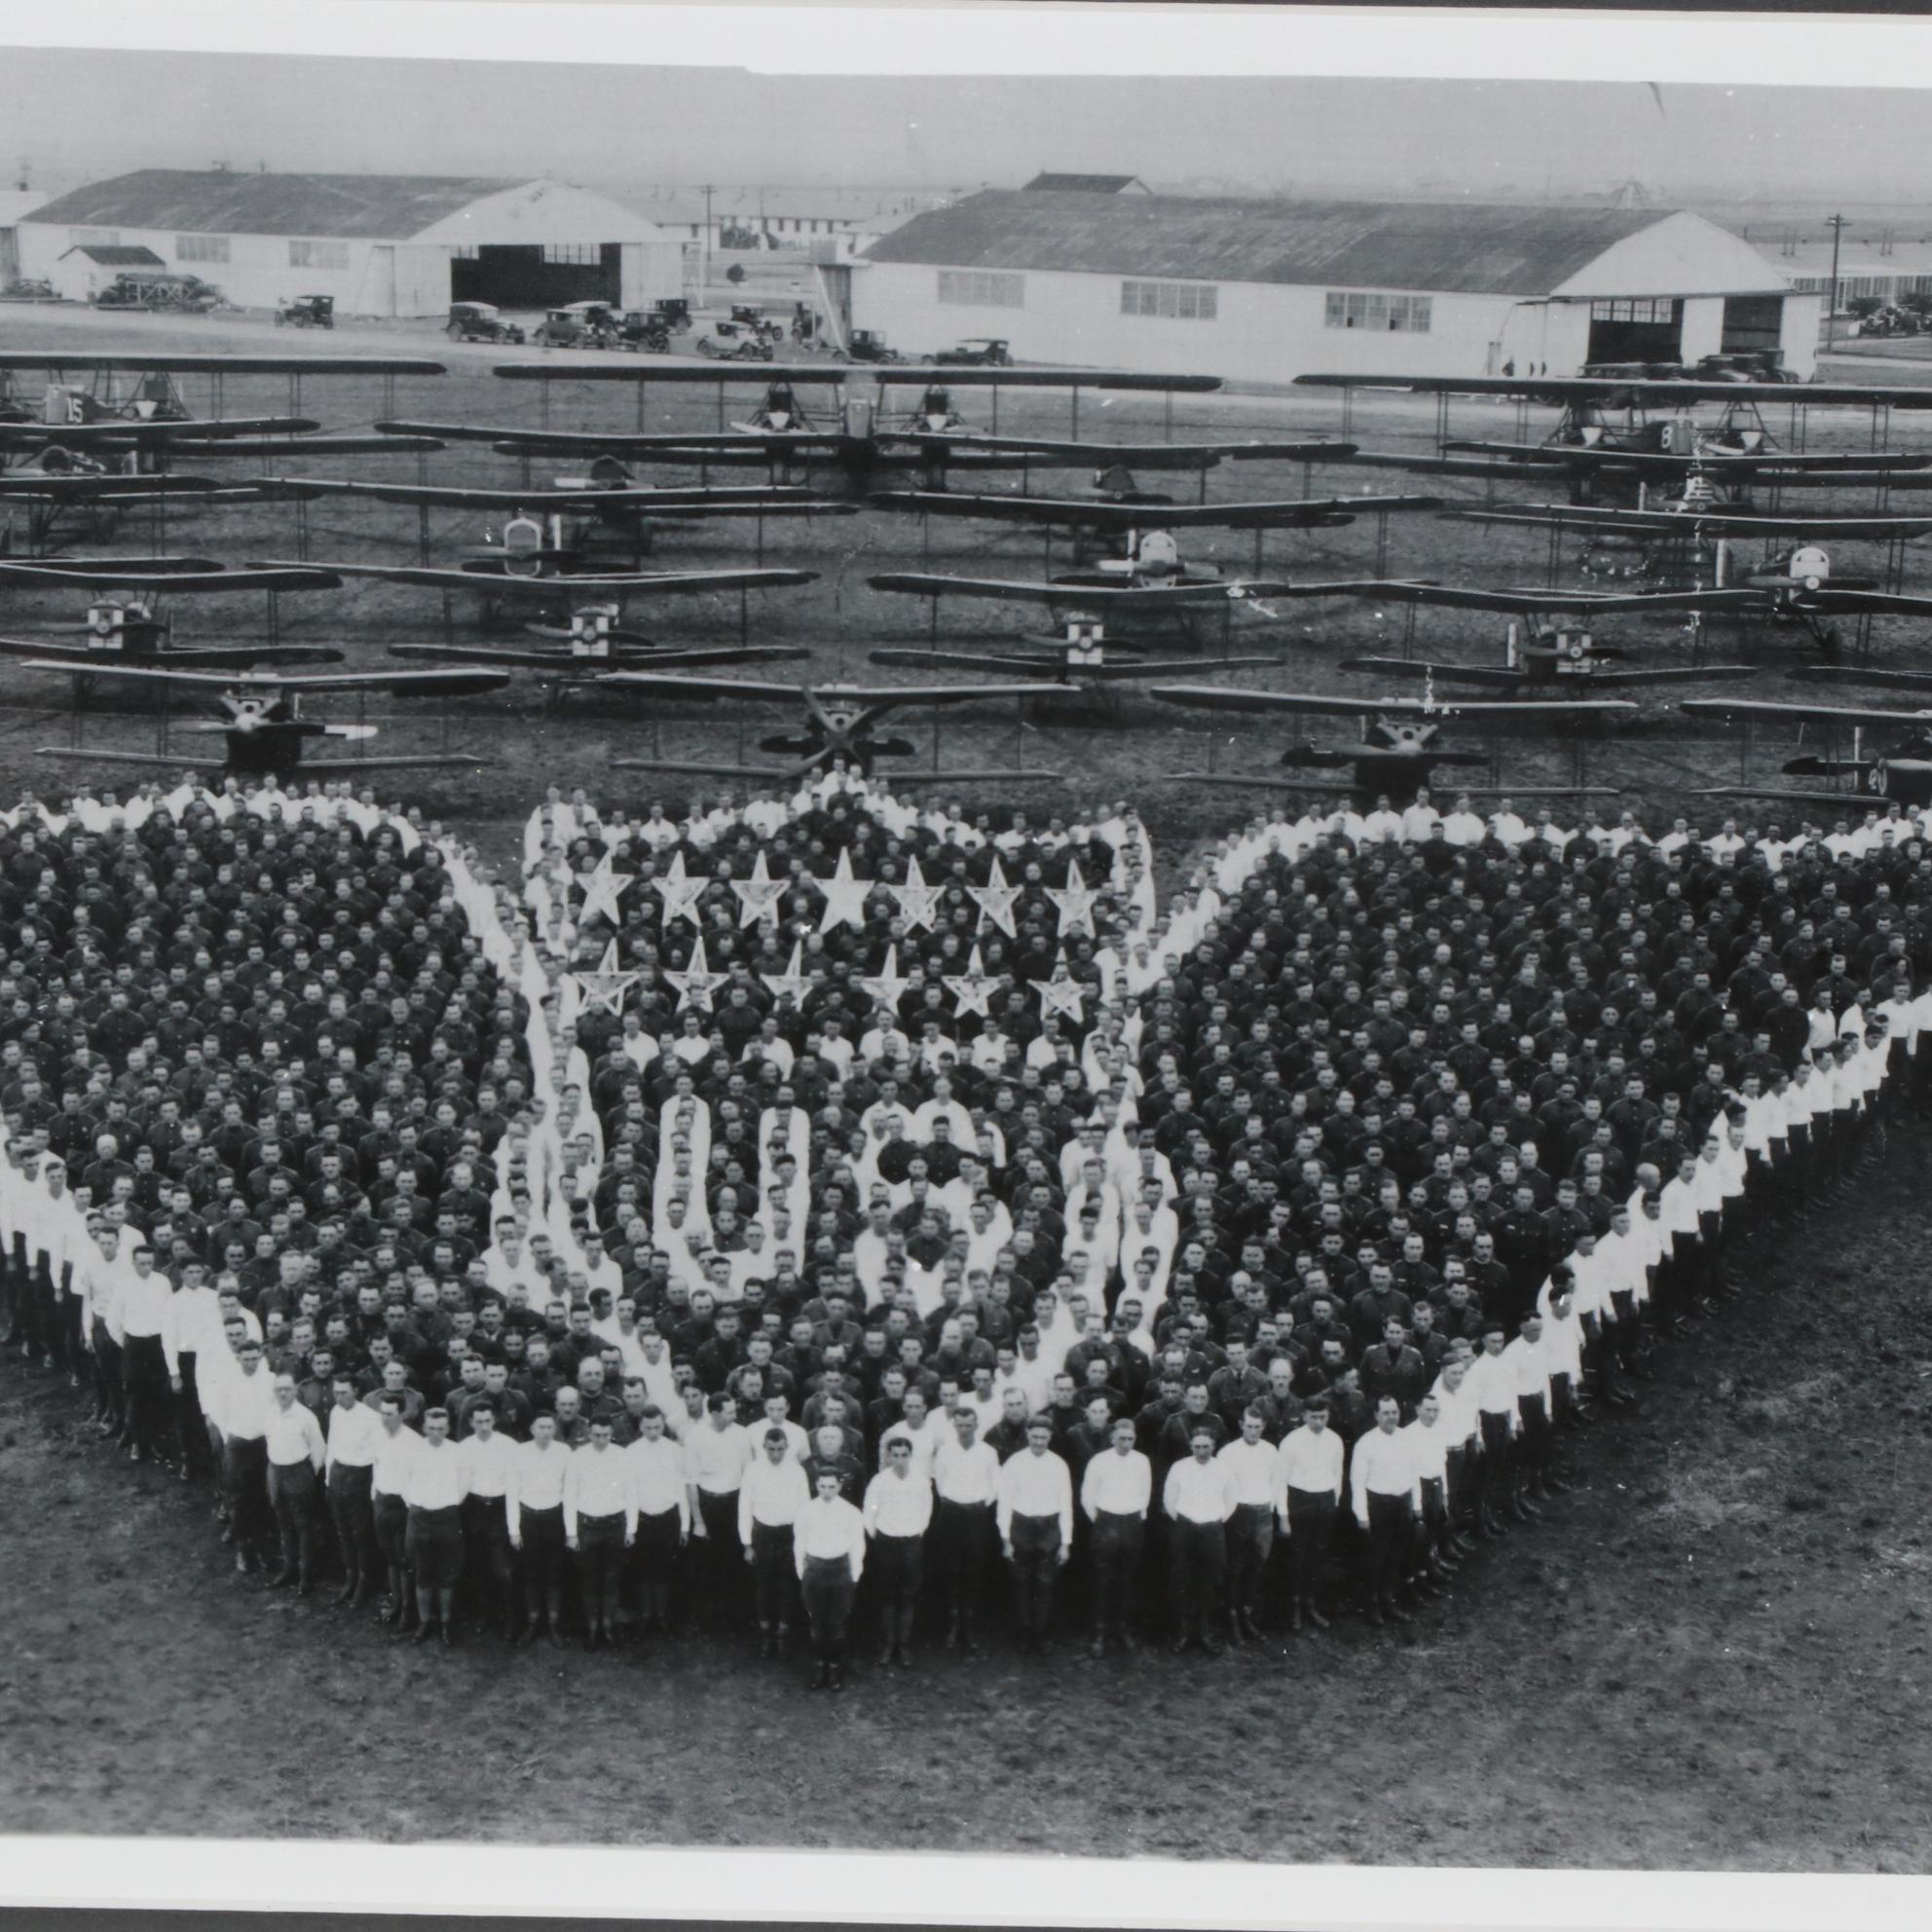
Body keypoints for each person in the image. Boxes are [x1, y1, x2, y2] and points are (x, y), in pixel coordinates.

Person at [995, 1414, 1073, 1655]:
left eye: (1043, 1437)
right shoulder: (1014, 1463)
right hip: (1021, 1527)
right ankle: (1024, 1633)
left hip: (1049, 1529)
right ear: (1028, 1435)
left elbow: (1066, 1504)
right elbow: (1004, 1504)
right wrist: (1006, 1540)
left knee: (1044, 1584)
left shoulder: (1059, 1464)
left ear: (1050, 1438)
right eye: (1035, 1436)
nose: (1039, 1442)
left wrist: (1065, 1543)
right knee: (1021, 1583)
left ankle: (1040, 1635)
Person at [1078, 1413, 1150, 1655]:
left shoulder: (1142, 1461)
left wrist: (1134, 1518)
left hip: (1131, 1524)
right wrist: (1101, 1521)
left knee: (1127, 1580)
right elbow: (1087, 1497)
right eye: (1121, 1438)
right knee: (1101, 1580)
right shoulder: (1099, 1461)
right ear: (1112, 1438)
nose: (1125, 1443)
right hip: (1105, 1523)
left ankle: (1122, 1628)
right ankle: (1099, 1632)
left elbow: (1144, 1494)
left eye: (1130, 1439)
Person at [563, 1415, 637, 1650]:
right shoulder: (578, 1457)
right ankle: (592, 1628)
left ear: (611, 1433)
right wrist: (571, 1533)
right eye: (596, 1435)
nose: (601, 1440)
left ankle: (608, 1627)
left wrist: (631, 1529)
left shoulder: (622, 1456)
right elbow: (569, 1497)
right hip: (587, 1527)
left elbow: (631, 1494)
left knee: (611, 1579)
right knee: (589, 1580)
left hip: (615, 1526)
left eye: (606, 1435)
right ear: (589, 1433)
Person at [739, 1425, 810, 1656]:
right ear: (764, 1447)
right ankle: (765, 1635)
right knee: (763, 1587)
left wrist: (803, 1542)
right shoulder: (753, 1469)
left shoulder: (797, 1471)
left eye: (780, 1449)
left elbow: (804, 1508)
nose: (776, 1454)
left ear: (787, 1448)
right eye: (771, 1449)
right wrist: (747, 1544)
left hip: (788, 1534)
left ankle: (782, 1635)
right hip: (762, 1534)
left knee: (787, 1586)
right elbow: (745, 1507)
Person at [863, 1432, 933, 1666]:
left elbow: (926, 1511)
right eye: (895, 1455)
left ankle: (903, 1646)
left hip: (911, 1543)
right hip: (886, 1543)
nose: (900, 1459)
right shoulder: (879, 1481)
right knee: (887, 1596)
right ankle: (888, 1645)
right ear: (889, 1456)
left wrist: (915, 1533)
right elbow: (869, 1514)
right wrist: (880, 1537)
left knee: (907, 1596)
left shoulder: (921, 1481)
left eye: (904, 1455)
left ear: (910, 1456)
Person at [1275, 1393, 1344, 1631]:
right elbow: (1280, 1482)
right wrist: (1283, 1516)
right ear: (1304, 1415)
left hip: (1324, 1502)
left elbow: (1337, 1475)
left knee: (1317, 1555)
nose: (1318, 1422)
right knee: (1297, 1556)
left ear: (1328, 1416)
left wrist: (1333, 1502)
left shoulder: (1335, 1440)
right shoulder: (1291, 1442)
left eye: (1322, 1417)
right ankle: (1294, 1607)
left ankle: (1310, 1604)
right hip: (1300, 1501)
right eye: (1313, 1417)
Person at [1352, 1394, 1422, 1626]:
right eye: (1386, 1413)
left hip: (1402, 1504)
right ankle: (1371, 1606)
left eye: (1394, 1412)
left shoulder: (1407, 1438)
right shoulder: (1366, 1443)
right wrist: (1362, 1516)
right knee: (1376, 1558)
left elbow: (1414, 1475)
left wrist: (1416, 1505)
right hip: (1378, 1506)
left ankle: (1388, 1601)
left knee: (1395, 1556)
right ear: (1376, 1416)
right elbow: (1357, 1483)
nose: (1391, 1417)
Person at [1162, 1423, 1232, 1653]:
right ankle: (1183, 1631)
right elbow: (1169, 1500)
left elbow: (1231, 1499)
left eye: (1207, 1446)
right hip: (1185, 1529)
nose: (1202, 1451)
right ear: (1190, 1445)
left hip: (1213, 1529)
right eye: (1198, 1446)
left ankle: (1204, 1630)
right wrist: (1186, 1521)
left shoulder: (1223, 1469)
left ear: (1214, 1446)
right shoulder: (1179, 1468)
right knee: (1182, 1579)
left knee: (1209, 1580)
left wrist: (1215, 1519)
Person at [795, 1467, 866, 1690]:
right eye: (823, 1486)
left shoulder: (851, 1512)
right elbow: (800, 1543)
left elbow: (857, 1544)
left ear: (840, 1486)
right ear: (816, 1486)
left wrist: (854, 1574)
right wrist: (802, 1571)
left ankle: (834, 1668)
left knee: (836, 1623)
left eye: (832, 1487)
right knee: (816, 1623)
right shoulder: (805, 1511)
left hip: (840, 1570)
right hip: (815, 1570)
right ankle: (819, 1666)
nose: (827, 1491)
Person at [401, 1406, 467, 1645]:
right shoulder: (414, 1451)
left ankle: (446, 1623)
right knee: (422, 1573)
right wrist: (418, 1505)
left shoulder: (457, 1452)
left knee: (447, 1574)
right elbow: (404, 1483)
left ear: (448, 1429)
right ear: (424, 1428)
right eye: (431, 1429)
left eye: (441, 1429)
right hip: (420, 1518)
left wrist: (447, 1504)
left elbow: (463, 1485)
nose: (436, 1434)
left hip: (447, 1518)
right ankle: (424, 1622)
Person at [625, 1402, 689, 1640]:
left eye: (658, 1427)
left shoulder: (674, 1451)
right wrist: (631, 1528)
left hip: (668, 1518)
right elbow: (630, 1492)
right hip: (643, 1519)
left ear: (664, 1425)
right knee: (643, 1570)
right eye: (649, 1427)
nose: (654, 1432)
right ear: (641, 1426)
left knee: (663, 1570)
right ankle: (645, 1616)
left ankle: (661, 1617)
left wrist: (684, 1526)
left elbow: (681, 1489)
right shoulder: (631, 1452)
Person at [508, 1409, 572, 1647]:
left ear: (554, 1429)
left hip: (554, 1518)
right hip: (528, 1518)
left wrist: (569, 1529)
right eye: (540, 1427)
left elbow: (569, 1492)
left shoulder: (564, 1452)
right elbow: (512, 1493)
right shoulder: (520, 1453)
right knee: (531, 1573)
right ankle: (533, 1622)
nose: (545, 1432)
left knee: (554, 1573)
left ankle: (553, 1624)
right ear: (532, 1430)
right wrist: (514, 1529)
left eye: (549, 1427)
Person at [1215, 1405, 1278, 1644]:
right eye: (1249, 1426)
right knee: (1235, 1567)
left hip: (1262, 1513)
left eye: (1257, 1427)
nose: (1253, 1431)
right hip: (1237, 1513)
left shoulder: (1271, 1451)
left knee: (1256, 1565)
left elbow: (1275, 1483)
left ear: (1263, 1427)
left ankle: (1247, 1615)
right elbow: (1222, 1488)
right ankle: (1231, 1617)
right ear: (1241, 1425)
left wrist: (1268, 1509)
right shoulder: (1228, 1453)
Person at [264, 1371, 326, 1593]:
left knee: (303, 1527)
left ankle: (305, 1576)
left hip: (298, 1474)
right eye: (279, 1389)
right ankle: (288, 1569)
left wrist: (307, 1474)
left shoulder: (306, 1417)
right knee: (284, 1525)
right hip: (276, 1473)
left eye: (287, 1389)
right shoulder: (269, 1413)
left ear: (295, 1391)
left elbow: (318, 1451)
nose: (283, 1393)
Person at [322, 1372, 381, 1606]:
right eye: (336, 1392)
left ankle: (364, 1582)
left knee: (359, 1533)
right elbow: (332, 1446)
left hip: (359, 1477)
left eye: (344, 1392)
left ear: (355, 1391)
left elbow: (377, 1457)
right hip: (338, 1474)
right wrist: (328, 1480)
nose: (339, 1397)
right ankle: (351, 1576)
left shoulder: (370, 1418)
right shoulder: (336, 1413)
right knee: (342, 1530)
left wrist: (372, 1489)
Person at [369, 1392, 421, 1628]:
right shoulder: (377, 1436)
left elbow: (417, 1478)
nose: (385, 1418)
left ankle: (408, 1612)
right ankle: (396, 1603)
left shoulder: (413, 1442)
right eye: (382, 1413)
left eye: (390, 1414)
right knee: (390, 1556)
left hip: (402, 1508)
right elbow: (376, 1465)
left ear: (401, 1415)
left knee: (404, 1560)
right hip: (382, 1503)